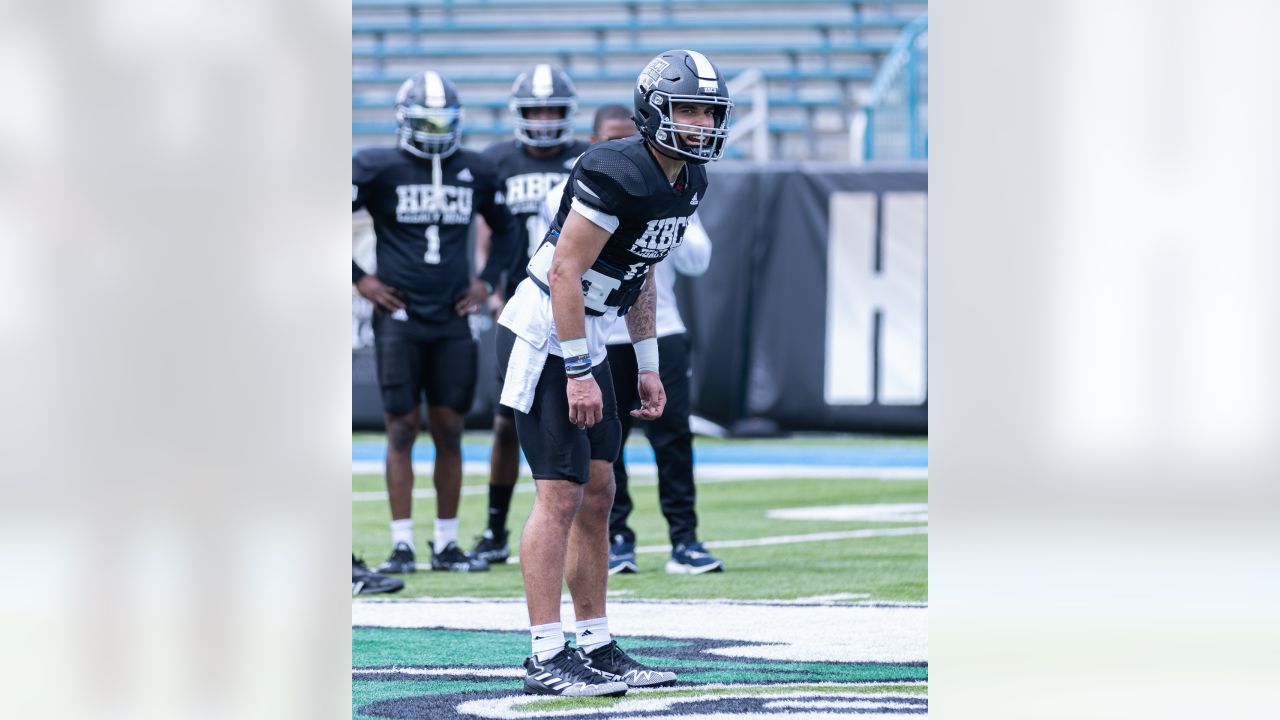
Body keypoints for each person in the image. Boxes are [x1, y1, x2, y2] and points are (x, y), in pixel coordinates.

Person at [495, 50, 733, 697]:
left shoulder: (689, 180)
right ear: (654, 108)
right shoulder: (614, 169)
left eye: (707, 111)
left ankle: (595, 643)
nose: (699, 122)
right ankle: (546, 654)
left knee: (600, 492)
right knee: (561, 495)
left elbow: (644, 268)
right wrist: (577, 370)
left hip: (595, 331)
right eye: (687, 108)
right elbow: (566, 272)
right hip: (548, 329)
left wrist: (648, 365)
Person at [540, 106, 722, 575]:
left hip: (658, 326)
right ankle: (619, 536)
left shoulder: (684, 181)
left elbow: (689, 260)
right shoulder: (594, 180)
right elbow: (558, 269)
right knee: (605, 446)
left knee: (673, 437)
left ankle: (685, 538)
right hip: (595, 330)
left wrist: (656, 222)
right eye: (612, 141)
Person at [352, 70, 516, 574]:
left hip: (451, 316)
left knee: (449, 429)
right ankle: (402, 542)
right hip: (399, 314)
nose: (435, 127)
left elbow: (507, 229)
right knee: (400, 427)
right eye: (426, 118)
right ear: (404, 119)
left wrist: (486, 282)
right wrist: (360, 278)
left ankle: (445, 541)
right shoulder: (376, 166)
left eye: (443, 118)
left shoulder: (477, 168)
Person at [468, 64, 591, 565]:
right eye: (535, 110)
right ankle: (496, 527)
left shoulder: (586, 158)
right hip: (520, 308)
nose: (543, 121)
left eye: (552, 111)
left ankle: (602, 531)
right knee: (505, 422)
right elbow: (487, 229)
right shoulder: (497, 160)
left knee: (587, 429)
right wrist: (489, 283)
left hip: (571, 304)